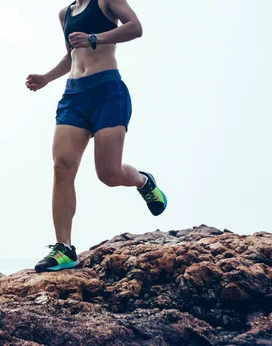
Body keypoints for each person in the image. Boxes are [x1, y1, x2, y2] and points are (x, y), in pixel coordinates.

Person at [26, 0, 167, 273]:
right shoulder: (64, 14)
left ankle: (144, 181)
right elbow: (71, 57)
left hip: (107, 91)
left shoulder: (105, 1)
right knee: (62, 166)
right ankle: (64, 247)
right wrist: (46, 77)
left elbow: (135, 28)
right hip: (74, 94)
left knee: (109, 174)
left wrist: (94, 38)